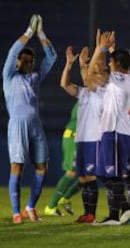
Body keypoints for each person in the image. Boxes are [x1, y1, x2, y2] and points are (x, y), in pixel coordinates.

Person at [3, 14, 57, 224]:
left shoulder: (35, 77)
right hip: (17, 125)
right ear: (18, 61)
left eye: (29, 60)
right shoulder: (9, 77)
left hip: (36, 125)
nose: (26, 62)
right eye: (23, 59)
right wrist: (28, 33)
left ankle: (30, 207)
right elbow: (12, 52)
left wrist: (41, 34)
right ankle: (16, 212)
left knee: (42, 166)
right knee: (17, 167)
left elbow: (51, 57)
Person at [88, 31, 130, 225]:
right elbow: (115, 66)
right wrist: (111, 51)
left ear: (116, 65)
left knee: (110, 174)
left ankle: (125, 209)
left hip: (115, 131)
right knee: (103, 173)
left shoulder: (116, 80)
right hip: (118, 131)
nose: (108, 64)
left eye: (111, 62)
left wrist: (100, 48)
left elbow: (92, 71)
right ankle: (114, 215)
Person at [60, 45, 106, 223]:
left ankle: (92, 213)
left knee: (91, 176)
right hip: (81, 138)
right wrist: (69, 64)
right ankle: (88, 213)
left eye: (97, 72)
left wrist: (86, 62)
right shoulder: (84, 92)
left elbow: (88, 79)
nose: (93, 74)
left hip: (94, 139)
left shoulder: (100, 91)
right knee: (84, 177)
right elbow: (64, 84)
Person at [44, 102, 80, 216]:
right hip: (74, 135)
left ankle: (65, 198)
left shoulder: (96, 95)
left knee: (90, 174)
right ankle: (51, 206)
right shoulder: (88, 96)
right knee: (72, 172)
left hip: (84, 138)